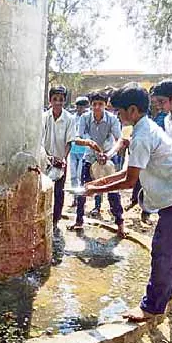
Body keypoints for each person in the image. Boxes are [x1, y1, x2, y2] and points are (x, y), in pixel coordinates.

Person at [85, 85, 172, 322]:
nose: (117, 116)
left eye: (119, 112)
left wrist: (96, 189)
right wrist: (98, 183)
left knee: (164, 249)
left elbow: (129, 181)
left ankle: (152, 307)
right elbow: (129, 170)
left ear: (133, 110)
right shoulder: (142, 128)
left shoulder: (142, 135)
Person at [69, 90, 125, 238]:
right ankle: (79, 220)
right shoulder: (85, 118)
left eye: (100, 104)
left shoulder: (112, 119)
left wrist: (108, 155)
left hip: (108, 158)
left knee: (113, 191)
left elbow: (119, 139)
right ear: (91, 105)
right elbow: (79, 137)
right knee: (84, 190)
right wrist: (91, 145)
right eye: (94, 104)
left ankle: (120, 224)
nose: (97, 107)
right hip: (89, 157)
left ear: (106, 105)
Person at [126, 86, 168, 224]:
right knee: (138, 181)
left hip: (154, 158)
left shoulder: (164, 117)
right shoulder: (146, 116)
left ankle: (147, 211)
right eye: (153, 99)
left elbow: (127, 181)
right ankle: (136, 201)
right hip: (143, 155)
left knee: (148, 185)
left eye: (158, 100)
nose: (155, 102)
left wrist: (99, 187)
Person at [41, 85, 75, 231]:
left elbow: (69, 141)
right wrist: (48, 158)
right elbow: (40, 140)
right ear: (50, 100)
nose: (58, 102)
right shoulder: (44, 117)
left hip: (61, 160)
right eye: (55, 99)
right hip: (45, 160)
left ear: (64, 101)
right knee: (42, 190)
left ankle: (55, 220)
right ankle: (42, 217)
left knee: (59, 192)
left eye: (61, 100)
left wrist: (63, 159)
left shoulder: (69, 118)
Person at [69, 96, 89, 207]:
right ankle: (75, 197)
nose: (80, 108)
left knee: (80, 175)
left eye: (83, 106)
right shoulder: (72, 118)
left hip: (84, 151)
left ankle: (81, 197)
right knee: (73, 176)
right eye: (79, 106)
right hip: (73, 150)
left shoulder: (88, 119)